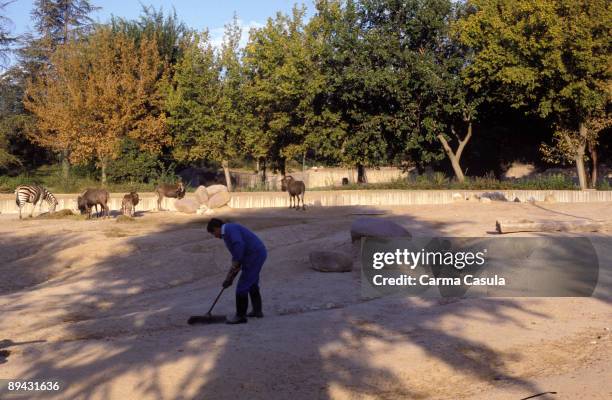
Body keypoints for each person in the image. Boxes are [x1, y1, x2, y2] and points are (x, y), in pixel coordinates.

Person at [207, 218, 267, 324]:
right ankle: (257, 311)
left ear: (217, 228)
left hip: (254, 255)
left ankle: (240, 316)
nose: (215, 236)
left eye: (213, 233)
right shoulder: (227, 234)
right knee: (252, 283)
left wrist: (236, 261)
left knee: (242, 286)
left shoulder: (230, 229)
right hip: (254, 254)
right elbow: (237, 258)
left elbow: (239, 245)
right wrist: (230, 278)